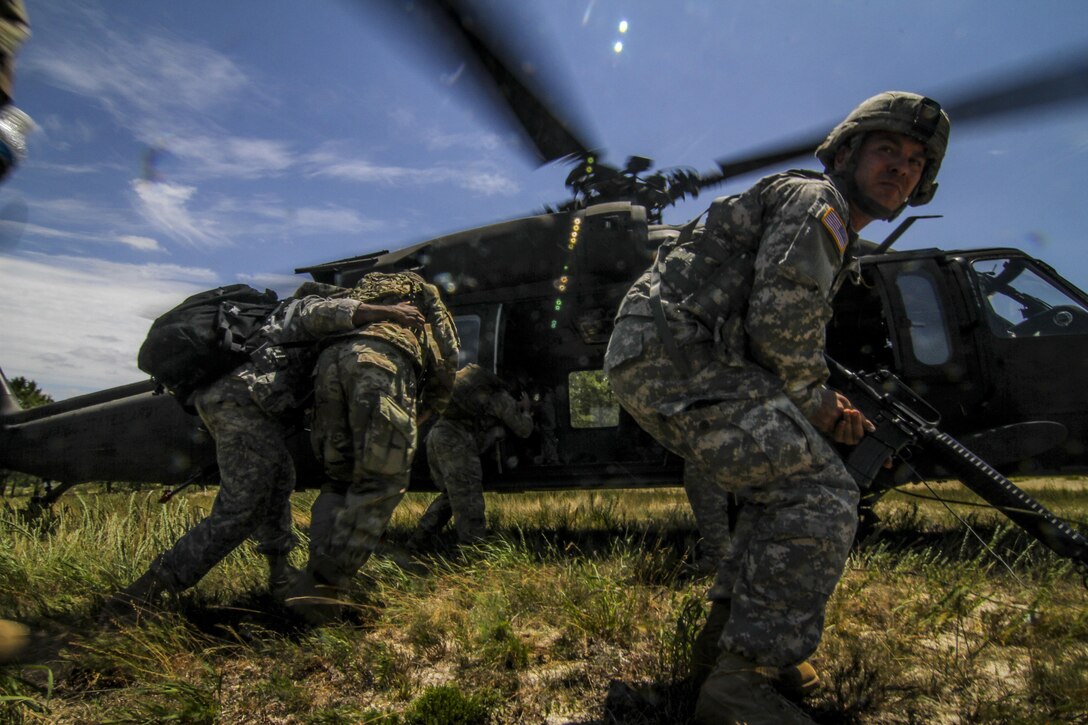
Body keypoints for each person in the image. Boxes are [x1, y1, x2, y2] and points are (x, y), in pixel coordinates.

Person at [603, 92, 950, 724]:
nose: (902, 167)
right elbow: (782, 319)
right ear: (846, 154)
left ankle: (726, 656)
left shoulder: (818, 213)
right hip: (682, 356)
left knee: (781, 487)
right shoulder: (821, 204)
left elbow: (779, 328)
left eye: (916, 161)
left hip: (678, 356)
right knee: (819, 493)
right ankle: (743, 683)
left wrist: (816, 397)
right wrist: (815, 403)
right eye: (886, 150)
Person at [103, 284, 425, 617]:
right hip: (239, 403)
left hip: (244, 403)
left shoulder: (285, 322)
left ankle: (280, 577)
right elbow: (319, 311)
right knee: (242, 509)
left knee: (280, 480)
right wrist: (386, 311)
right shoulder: (302, 308)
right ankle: (141, 596)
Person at [291, 270, 459, 618]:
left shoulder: (356, 297)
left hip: (327, 368)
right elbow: (449, 354)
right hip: (382, 362)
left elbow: (307, 311)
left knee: (337, 482)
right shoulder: (423, 296)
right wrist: (425, 411)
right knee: (383, 482)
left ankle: (320, 573)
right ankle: (323, 589)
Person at [411, 363, 534, 546]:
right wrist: (526, 410)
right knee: (469, 497)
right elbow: (524, 430)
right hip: (456, 443)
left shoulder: (477, 390)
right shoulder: (499, 396)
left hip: (437, 437)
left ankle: (419, 541)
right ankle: (473, 550)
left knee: (452, 495)